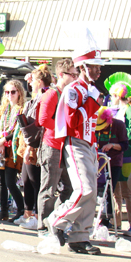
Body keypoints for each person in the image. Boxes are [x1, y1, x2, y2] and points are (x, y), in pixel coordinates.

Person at [45, 31, 105, 255]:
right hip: (75, 142)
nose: (98, 71)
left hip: (89, 144)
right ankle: (57, 219)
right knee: (84, 189)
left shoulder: (91, 90)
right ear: (83, 67)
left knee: (92, 192)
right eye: (94, 66)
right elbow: (72, 120)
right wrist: (91, 102)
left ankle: (80, 236)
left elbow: (90, 121)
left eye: (99, 67)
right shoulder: (73, 90)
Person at [105, 73, 131, 237]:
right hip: (116, 157)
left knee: (128, 192)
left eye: (112, 95)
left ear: (117, 95)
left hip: (127, 156)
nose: (110, 99)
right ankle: (116, 222)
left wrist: (119, 137)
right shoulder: (114, 111)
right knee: (115, 192)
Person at [37, 58, 74, 225]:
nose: (75, 77)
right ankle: (43, 224)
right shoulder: (52, 93)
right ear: (61, 74)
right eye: (72, 74)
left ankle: (54, 218)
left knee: (70, 187)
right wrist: (63, 129)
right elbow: (43, 119)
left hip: (65, 146)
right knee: (48, 189)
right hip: (52, 146)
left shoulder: (69, 94)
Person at [16, 67, 51, 230]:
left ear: (39, 82)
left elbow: (37, 124)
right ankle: (27, 213)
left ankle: (38, 216)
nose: (30, 82)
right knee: (26, 180)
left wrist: (31, 146)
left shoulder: (44, 97)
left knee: (35, 180)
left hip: (36, 144)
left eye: (33, 80)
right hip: (28, 142)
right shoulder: (34, 98)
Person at [0, 79, 27, 222]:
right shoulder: (3, 108)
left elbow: (18, 130)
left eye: (13, 92)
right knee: (1, 181)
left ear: (19, 93)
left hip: (12, 149)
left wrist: (4, 140)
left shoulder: (21, 109)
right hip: (0, 150)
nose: (10, 95)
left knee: (10, 182)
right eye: (7, 92)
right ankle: (3, 211)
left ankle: (22, 209)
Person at [94, 107, 128, 229]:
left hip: (114, 162)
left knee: (109, 191)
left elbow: (125, 145)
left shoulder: (119, 125)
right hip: (97, 162)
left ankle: (107, 219)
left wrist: (112, 145)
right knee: (96, 190)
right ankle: (96, 218)